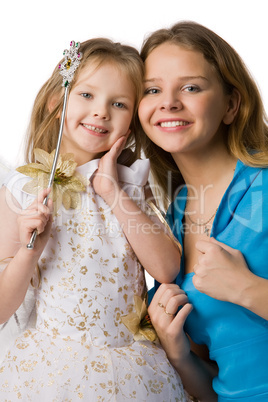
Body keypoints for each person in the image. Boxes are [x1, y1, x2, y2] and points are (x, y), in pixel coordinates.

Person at [0, 38, 188, 401]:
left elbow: (166, 268)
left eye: (118, 104)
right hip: (52, 371)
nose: (101, 111)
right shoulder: (22, 191)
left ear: (130, 125)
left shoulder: (130, 186)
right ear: (57, 102)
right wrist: (27, 251)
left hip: (130, 365)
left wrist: (112, 191)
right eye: (87, 95)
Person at [138, 21, 268, 401]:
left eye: (190, 87)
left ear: (231, 104)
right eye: (153, 90)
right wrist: (178, 354)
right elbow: (216, 388)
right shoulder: (174, 218)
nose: (169, 102)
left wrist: (246, 288)